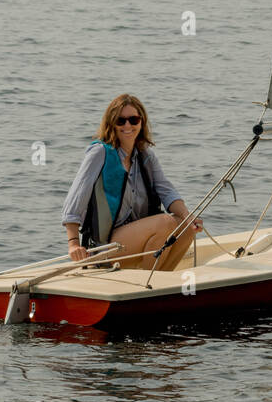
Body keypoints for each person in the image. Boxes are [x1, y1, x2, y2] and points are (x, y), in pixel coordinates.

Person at [62, 93, 200, 272]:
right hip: (104, 246)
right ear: (112, 123)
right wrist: (73, 243)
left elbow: (167, 192)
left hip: (137, 239)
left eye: (133, 120)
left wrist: (188, 217)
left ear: (141, 122)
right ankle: (147, 286)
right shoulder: (100, 153)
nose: (128, 125)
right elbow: (75, 199)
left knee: (185, 228)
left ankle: (158, 284)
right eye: (121, 121)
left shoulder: (146, 156)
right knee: (165, 222)